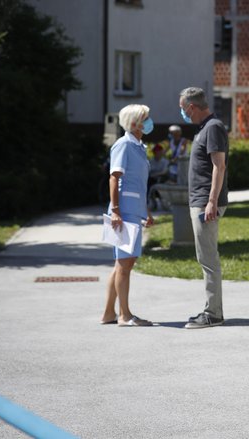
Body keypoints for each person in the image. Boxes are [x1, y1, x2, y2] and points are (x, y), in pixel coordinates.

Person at [179, 87, 229, 329]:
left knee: (208, 258)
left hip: (205, 203)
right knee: (205, 257)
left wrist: (211, 201)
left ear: (191, 107)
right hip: (200, 201)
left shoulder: (213, 127)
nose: (182, 112)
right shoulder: (204, 129)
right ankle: (212, 309)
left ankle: (213, 314)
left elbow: (219, 166)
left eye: (183, 108)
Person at [100, 104, 155, 327]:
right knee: (124, 264)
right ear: (134, 123)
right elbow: (114, 178)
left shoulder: (139, 147)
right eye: (145, 118)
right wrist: (115, 211)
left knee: (122, 264)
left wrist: (146, 211)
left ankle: (108, 314)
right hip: (123, 212)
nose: (149, 121)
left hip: (134, 211)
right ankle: (125, 315)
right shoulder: (123, 145)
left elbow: (138, 184)